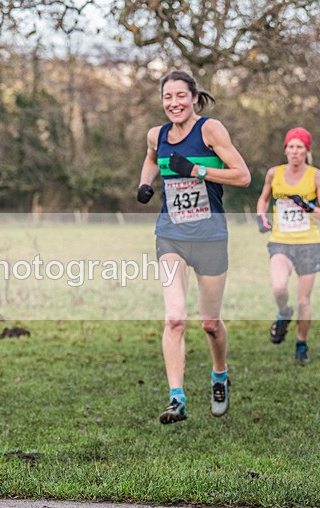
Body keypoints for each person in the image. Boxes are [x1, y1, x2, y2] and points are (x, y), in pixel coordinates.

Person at [136, 71, 251, 424]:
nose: (174, 103)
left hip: (211, 236)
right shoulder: (157, 135)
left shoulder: (211, 130)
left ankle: (220, 375)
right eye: (168, 97)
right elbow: (153, 158)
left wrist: (199, 170)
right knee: (174, 318)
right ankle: (177, 398)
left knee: (210, 324)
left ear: (193, 97)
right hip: (170, 234)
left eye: (180, 96)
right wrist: (144, 183)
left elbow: (242, 175)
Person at [255, 127, 320, 363]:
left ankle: (301, 343)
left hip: (308, 243)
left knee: (303, 300)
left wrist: (308, 206)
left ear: (307, 150)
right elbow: (263, 198)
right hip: (280, 241)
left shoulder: (316, 176)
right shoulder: (274, 173)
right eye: (291, 146)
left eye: (299, 147)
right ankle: (283, 313)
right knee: (279, 287)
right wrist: (261, 217)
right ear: (285, 149)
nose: (294, 151)